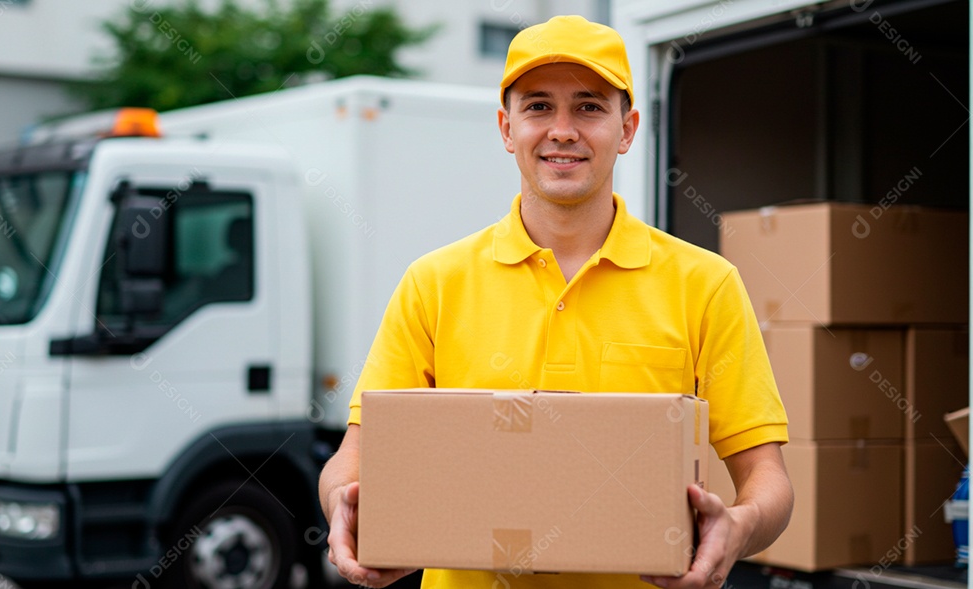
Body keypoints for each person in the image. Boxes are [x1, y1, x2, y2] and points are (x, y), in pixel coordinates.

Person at [318, 14, 793, 589]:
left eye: (589, 106)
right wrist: (343, 505)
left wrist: (738, 528)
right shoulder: (434, 282)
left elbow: (767, 478)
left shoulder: (705, 282)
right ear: (506, 128)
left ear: (627, 129)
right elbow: (355, 457)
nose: (562, 130)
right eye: (538, 106)